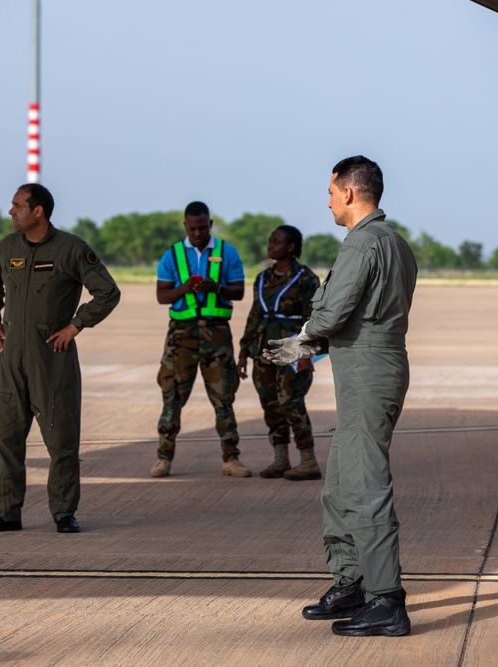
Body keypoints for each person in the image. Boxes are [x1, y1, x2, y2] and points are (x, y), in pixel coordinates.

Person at [264, 156, 417, 637]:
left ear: (349, 193)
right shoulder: (396, 243)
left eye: (331, 191)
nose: (328, 200)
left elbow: (331, 313)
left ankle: (386, 599)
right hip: (374, 366)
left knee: (366, 487)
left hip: (369, 369)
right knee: (340, 484)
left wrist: (300, 340)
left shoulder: (362, 243)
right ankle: (351, 580)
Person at [0, 183, 120, 534]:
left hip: (52, 359)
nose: (11, 212)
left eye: (17, 206)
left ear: (37, 211)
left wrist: (76, 325)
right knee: (6, 437)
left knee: (62, 442)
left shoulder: (71, 249)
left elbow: (108, 292)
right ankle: (7, 512)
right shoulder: (6, 248)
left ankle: (63, 513)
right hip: (11, 360)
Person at [152, 201, 249, 478]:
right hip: (180, 335)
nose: (197, 233)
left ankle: (231, 459)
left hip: (216, 333)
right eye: (193, 228)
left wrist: (215, 287)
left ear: (211, 224)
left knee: (223, 398)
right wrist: (184, 288)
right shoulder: (171, 255)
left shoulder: (226, 252)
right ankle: (163, 458)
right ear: (185, 226)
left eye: (203, 227)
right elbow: (162, 296)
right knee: (171, 397)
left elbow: (239, 292)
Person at [237, 225, 322, 480]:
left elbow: (314, 318)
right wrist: (243, 351)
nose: (270, 246)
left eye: (276, 242)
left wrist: (308, 355)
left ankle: (308, 460)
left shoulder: (307, 279)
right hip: (263, 351)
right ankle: (280, 458)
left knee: (291, 403)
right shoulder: (262, 278)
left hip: (293, 352)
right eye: (270, 241)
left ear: (291, 247)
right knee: (270, 405)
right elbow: (254, 315)